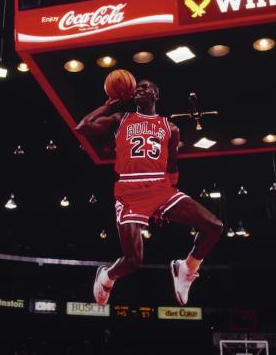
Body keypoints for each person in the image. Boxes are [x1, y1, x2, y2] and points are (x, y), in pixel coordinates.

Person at [76, 78, 224, 306]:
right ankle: (106, 276)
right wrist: (110, 104)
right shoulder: (120, 119)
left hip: (160, 187)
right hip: (130, 188)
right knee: (133, 261)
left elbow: (172, 165)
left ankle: (187, 268)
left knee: (215, 226)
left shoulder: (170, 127)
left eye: (145, 87)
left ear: (156, 95)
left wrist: (168, 201)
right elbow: (83, 126)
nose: (139, 89)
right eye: (137, 88)